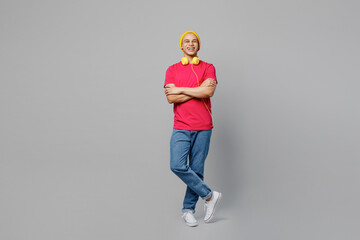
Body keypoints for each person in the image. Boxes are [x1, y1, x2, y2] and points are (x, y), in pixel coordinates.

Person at [164, 30, 222, 227]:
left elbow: (209, 91)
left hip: (204, 126)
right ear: (182, 46)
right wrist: (198, 90)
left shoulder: (208, 67)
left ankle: (188, 210)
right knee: (177, 165)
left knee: (196, 170)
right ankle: (209, 196)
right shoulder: (172, 69)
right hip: (181, 126)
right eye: (187, 41)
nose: (190, 44)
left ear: (199, 45)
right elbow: (171, 98)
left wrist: (180, 89)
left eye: (194, 41)